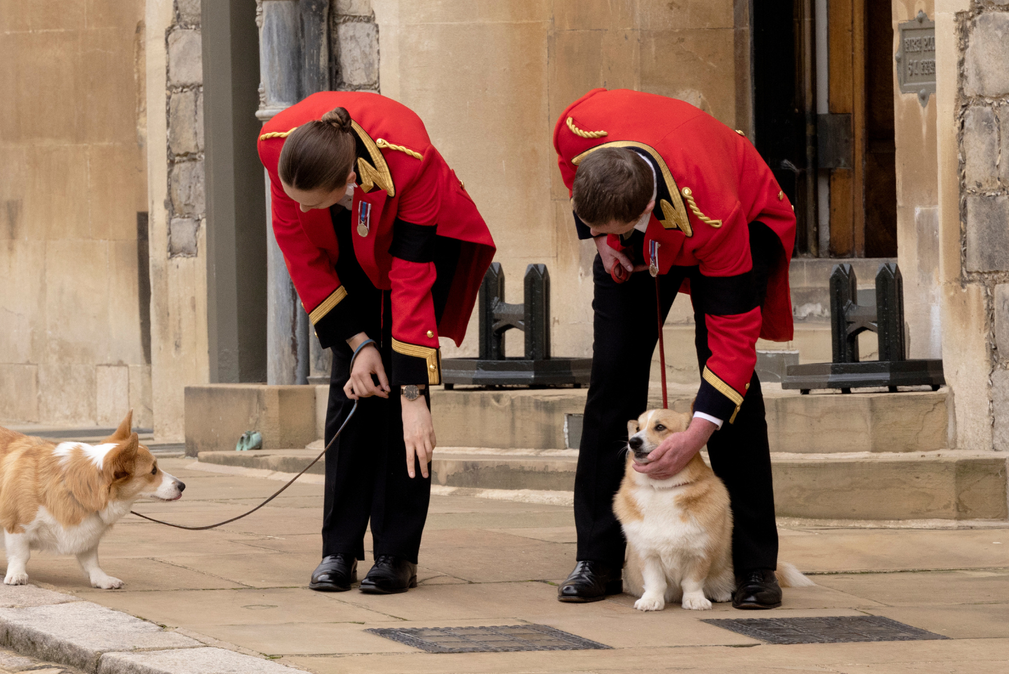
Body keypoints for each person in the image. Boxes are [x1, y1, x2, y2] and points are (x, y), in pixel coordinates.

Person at [550, 88, 797, 609]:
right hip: (648, 212)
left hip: (745, 219)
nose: (607, 237)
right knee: (612, 379)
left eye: (616, 230)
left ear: (642, 209)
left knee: (734, 397)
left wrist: (694, 435)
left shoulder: (715, 214)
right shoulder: (578, 128)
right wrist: (604, 241)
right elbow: (570, 168)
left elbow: (733, 344)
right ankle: (596, 559)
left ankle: (754, 565)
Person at [257, 92, 495, 595]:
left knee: (404, 406)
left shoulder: (411, 163)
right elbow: (299, 251)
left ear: (346, 180)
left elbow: (411, 282)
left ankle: (396, 553)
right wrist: (358, 341)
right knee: (352, 384)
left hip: (412, 238)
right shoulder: (280, 149)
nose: (296, 207)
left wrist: (414, 398)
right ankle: (338, 549)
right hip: (342, 247)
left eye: (309, 201)